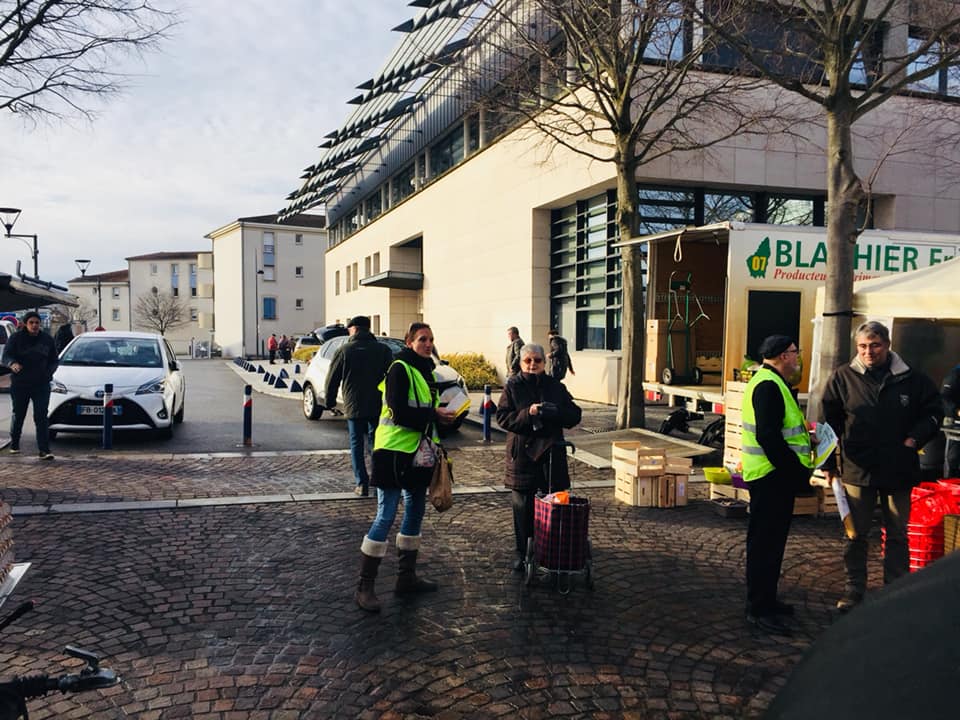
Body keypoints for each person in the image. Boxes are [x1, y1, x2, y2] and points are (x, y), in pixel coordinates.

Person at [821, 321, 942, 613]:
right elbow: (829, 423)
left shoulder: (912, 379)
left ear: (887, 345)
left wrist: (915, 438)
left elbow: (935, 412)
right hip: (857, 469)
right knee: (854, 533)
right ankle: (853, 590)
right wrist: (827, 463)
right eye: (863, 346)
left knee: (898, 533)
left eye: (874, 345)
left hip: (899, 469)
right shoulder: (843, 377)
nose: (868, 352)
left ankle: (895, 590)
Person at [354, 322, 456, 613]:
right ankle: (365, 586)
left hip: (416, 455)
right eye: (422, 339)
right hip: (393, 454)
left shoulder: (427, 373)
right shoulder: (400, 368)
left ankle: (406, 577)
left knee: (415, 510)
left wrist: (440, 419)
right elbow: (398, 411)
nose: (428, 343)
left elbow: (424, 415)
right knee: (386, 515)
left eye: (431, 339)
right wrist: (433, 413)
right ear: (409, 342)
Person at [740, 335, 812, 636]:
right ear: (784, 355)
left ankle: (768, 600)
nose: (798, 358)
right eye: (795, 353)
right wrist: (794, 471)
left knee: (771, 543)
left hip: (772, 476)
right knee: (765, 545)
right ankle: (759, 608)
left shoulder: (770, 382)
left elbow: (780, 430)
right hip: (771, 477)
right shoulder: (769, 385)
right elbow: (768, 436)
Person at [496, 343, 582, 572]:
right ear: (521, 363)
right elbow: (503, 419)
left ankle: (549, 549)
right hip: (522, 456)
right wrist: (528, 413)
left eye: (537, 360)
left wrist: (557, 412)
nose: (533, 365)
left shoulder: (555, 386)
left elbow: (575, 414)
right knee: (522, 508)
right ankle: (522, 553)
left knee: (553, 504)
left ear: (545, 362)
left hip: (551, 454)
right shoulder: (512, 386)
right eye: (528, 361)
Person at [324, 315, 393, 496]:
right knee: (376, 441)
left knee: (356, 444)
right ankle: (379, 480)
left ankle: (361, 483)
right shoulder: (383, 350)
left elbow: (332, 379)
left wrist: (330, 402)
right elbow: (393, 376)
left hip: (353, 405)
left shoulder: (344, 350)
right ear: (368, 328)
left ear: (353, 329)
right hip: (377, 404)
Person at [1, 311, 58, 460]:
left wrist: (48, 373)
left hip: (41, 384)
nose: (34, 325)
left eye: (37, 323)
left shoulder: (47, 340)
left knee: (41, 416)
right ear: (25, 324)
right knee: (18, 414)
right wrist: (12, 364)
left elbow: (54, 360)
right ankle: (14, 444)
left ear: (40, 324)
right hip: (21, 383)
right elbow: (6, 355)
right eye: (31, 322)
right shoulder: (16, 338)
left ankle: (44, 450)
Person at [942, 363, 960, 477]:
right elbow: (944, 397)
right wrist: (957, 411)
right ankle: (949, 483)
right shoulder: (955, 374)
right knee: (953, 457)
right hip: (952, 421)